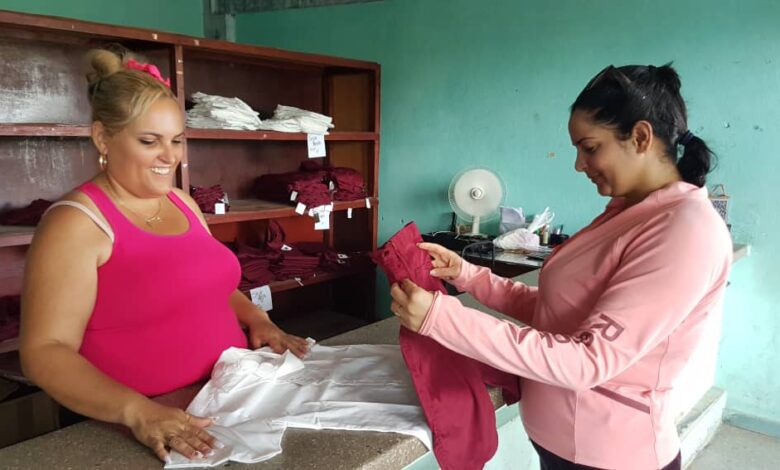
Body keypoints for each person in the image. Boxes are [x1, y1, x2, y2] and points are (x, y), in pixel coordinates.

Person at [390, 64, 732, 470]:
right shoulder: (629, 213)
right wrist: (469, 275)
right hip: (566, 447)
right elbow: (560, 312)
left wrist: (443, 318)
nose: (579, 164)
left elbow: (588, 360)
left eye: (590, 147)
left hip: (610, 456)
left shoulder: (685, 231)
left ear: (641, 137)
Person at [19, 48, 309, 464]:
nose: (170, 157)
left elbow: (210, 287)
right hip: (136, 424)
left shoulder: (181, 203)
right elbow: (45, 350)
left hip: (226, 394)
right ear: (103, 138)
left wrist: (257, 319)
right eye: (149, 141)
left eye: (176, 141)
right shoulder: (75, 224)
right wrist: (138, 412)